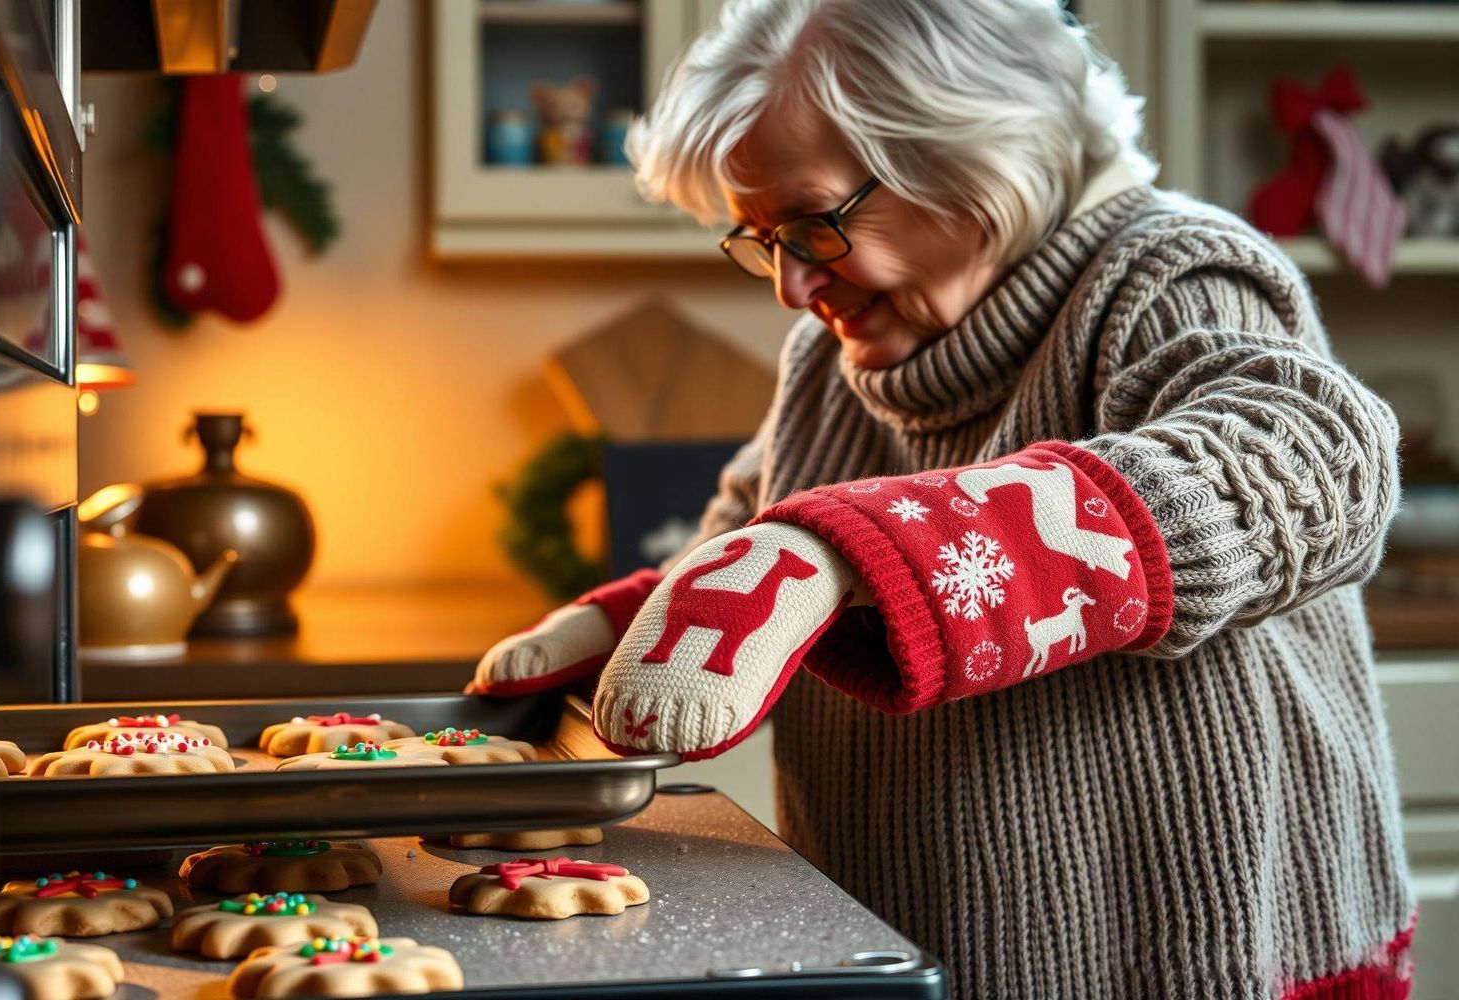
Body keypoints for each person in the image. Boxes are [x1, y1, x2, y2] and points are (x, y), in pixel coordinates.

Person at [472, 1, 1415, 996]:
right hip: (918, 950)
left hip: (1199, 962)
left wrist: (854, 552)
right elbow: (756, 539)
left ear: (969, 152)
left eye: (813, 223)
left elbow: (1312, 462)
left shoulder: (1165, 272)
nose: (790, 286)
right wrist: (645, 614)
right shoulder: (827, 363)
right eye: (759, 240)